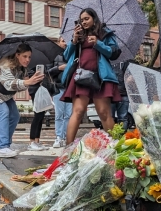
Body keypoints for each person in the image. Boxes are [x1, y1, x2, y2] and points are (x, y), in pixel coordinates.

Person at [62, 8, 121, 145]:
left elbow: (113, 53)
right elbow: (66, 56)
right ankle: (68, 149)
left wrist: (98, 43)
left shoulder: (105, 33)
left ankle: (114, 149)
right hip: (81, 76)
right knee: (78, 111)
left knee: (104, 113)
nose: (84, 22)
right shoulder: (79, 35)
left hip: (101, 78)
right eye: (81, 20)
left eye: (86, 18)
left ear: (94, 19)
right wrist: (74, 41)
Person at [0, 44, 44, 158]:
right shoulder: (4, 65)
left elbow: (21, 87)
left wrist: (31, 81)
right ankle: (2, 147)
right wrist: (27, 82)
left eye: (29, 57)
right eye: (25, 56)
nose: (27, 60)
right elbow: (8, 84)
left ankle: (6, 145)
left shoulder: (22, 69)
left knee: (15, 116)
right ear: (17, 55)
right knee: (4, 111)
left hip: (6, 95)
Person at [49, 37, 72, 148]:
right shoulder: (53, 55)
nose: (65, 43)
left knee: (68, 115)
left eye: (66, 41)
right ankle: (58, 137)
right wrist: (59, 68)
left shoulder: (72, 54)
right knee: (59, 115)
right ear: (58, 42)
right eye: (63, 41)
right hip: (58, 88)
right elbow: (48, 71)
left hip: (70, 89)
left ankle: (66, 137)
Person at [112, 60, 131, 130]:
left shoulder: (107, 59)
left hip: (111, 94)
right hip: (123, 93)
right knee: (123, 119)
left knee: (110, 118)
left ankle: (111, 138)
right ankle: (121, 137)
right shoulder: (125, 61)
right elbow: (130, 78)